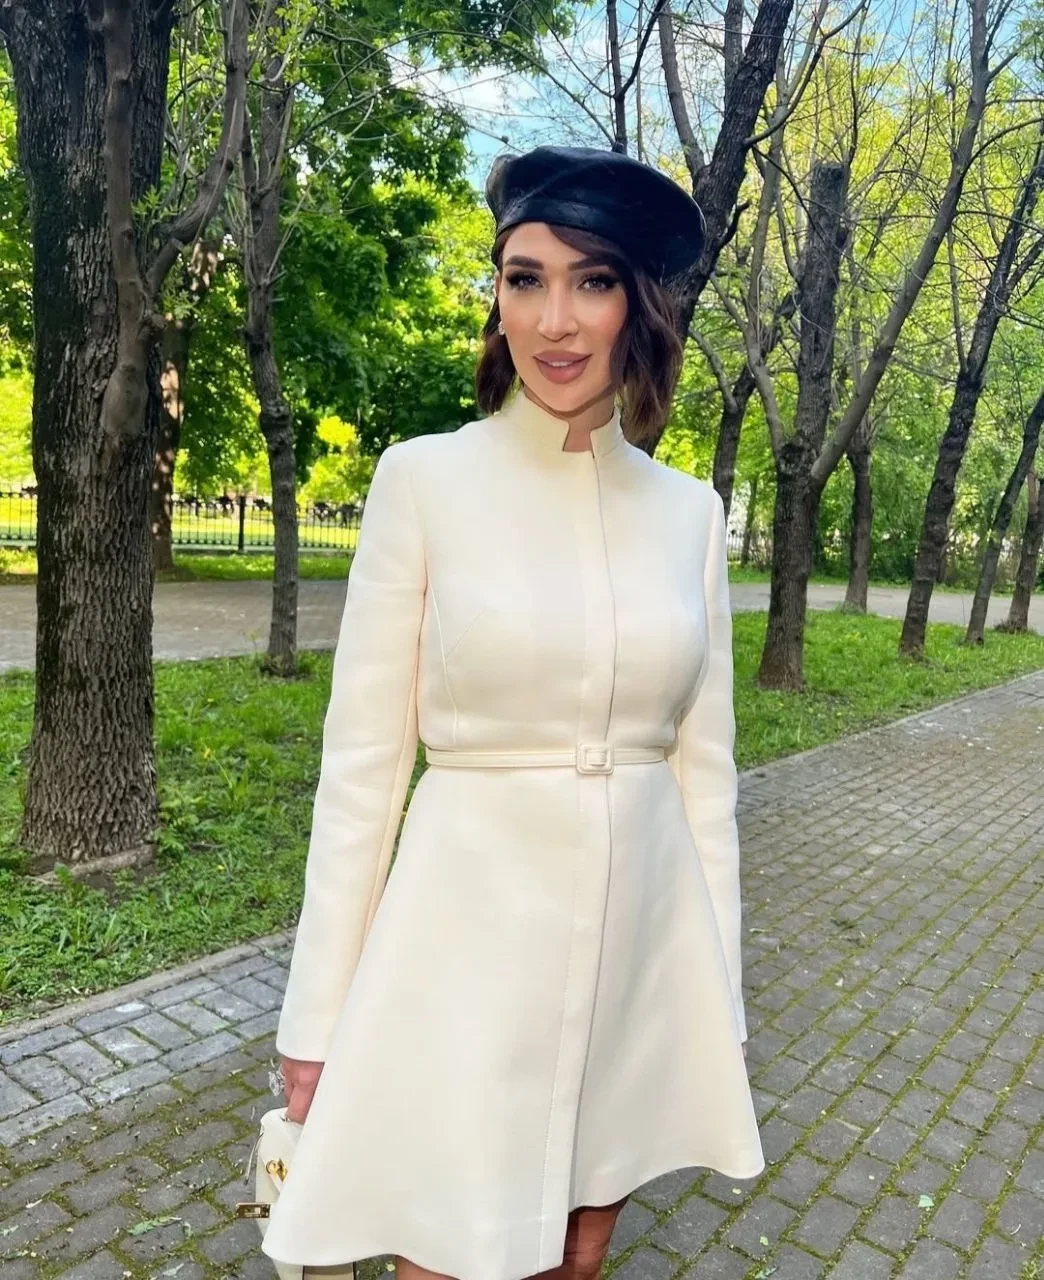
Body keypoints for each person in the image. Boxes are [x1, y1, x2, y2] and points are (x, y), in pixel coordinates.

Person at [261, 145, 765, 1280]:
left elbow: (707, 784)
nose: (554, 320)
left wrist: (718, 997)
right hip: (465, 947)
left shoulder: (690, 515)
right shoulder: (423, 480)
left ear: (638, 303)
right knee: (447, 1255)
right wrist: (316, 1019)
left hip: (637, 949)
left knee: (579, 1253)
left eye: (592, 280)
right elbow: (362, 771)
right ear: (496, 296)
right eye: (524, 278)